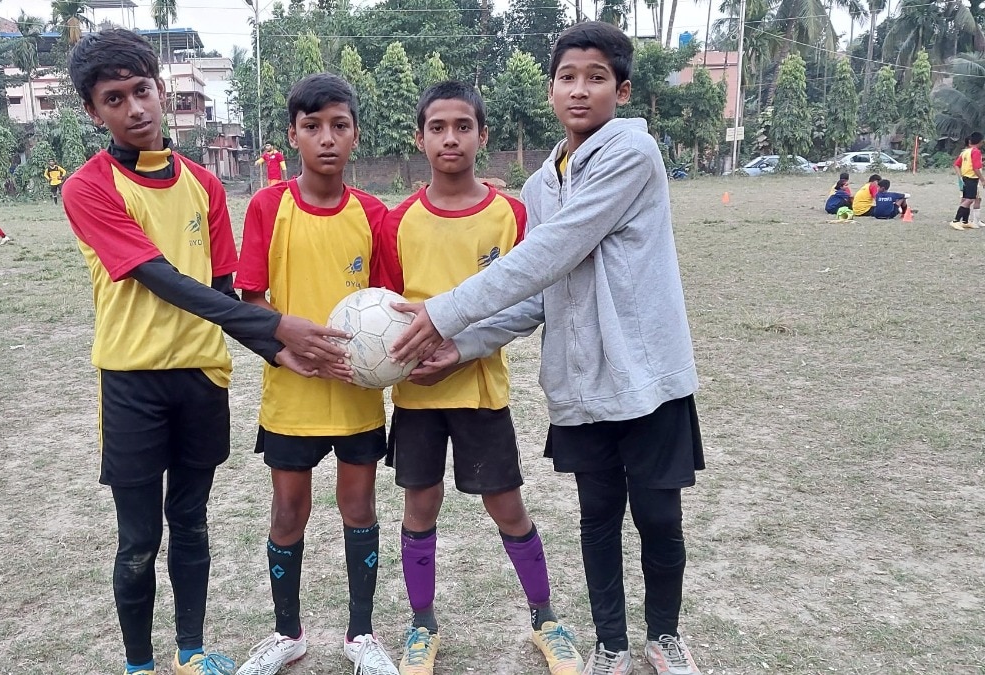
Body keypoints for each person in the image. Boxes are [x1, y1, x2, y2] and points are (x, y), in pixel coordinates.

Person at [390, 22, 705, 675]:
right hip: (581, 383)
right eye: (567, 78)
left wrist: (443, 312)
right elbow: (538, 295)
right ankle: (611, 643)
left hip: (646, 378)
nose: (580, 90)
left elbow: (551, 252)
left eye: (596, 78)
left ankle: (665, 636)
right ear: (551, 90)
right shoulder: (541, 185)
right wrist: (461, 344)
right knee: (597, 517)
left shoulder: (631, 154)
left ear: (622, 90)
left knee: (657, 516)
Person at [62, 29, 352, 675]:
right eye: (114, 99)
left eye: (142, 90)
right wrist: (277, 326)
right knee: (139, 538)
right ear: (93, 111)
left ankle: (190, 651)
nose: (134, 108)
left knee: (191, 521)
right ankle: (139, 664)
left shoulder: (203, 185)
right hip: (132, 382)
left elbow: (220, 292)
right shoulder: (88, 187)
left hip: (201, 378)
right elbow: (163, 279)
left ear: (161, 90)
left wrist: (273, 348)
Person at [376, 81, 583, 675]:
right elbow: (384, 312)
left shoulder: (510, 215)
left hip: (482, 393)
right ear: (419, 138)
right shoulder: (397, 221)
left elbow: (527, 302)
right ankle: (422, 626)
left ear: (482, 135)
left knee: (508, 507)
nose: (450, 138)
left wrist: (463, 351)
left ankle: (546, 619)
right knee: (420, 508)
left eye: (463, 126)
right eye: (437, 127)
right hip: (416, 397)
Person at [234, 73, 399, 675]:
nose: (326, 138)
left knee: (359, 506)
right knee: (287, 511)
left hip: (356, 396)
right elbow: (250, 299)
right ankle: (287, 634)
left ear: (355, 134)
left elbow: (388, 305)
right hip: (292, 394)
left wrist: (380, 357)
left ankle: (362, 635)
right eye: (312, 127)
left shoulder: (374, 215)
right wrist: (286, 349)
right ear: (292, 136)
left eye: (339, 126)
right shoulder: (267, 206)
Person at [950, 131, 982, 230]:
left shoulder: (965, 152)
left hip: (966, 178)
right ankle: (955, 221)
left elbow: (956, 164)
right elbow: (976, 168)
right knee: (969, 200)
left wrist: (960, 177)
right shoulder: (976, 152)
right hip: (971, 178)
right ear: (980, 142)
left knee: (968, 199)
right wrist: (983, 179)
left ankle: (965, 221)